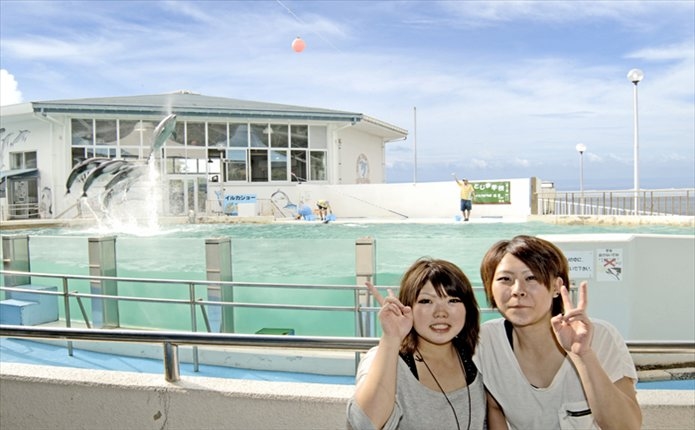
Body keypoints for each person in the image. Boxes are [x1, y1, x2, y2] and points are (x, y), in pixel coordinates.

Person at [475, 235, 641, 430]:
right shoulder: (486, 341)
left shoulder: (600, 336)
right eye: (505, 279)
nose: (518, 290)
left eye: (531, 278)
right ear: (490, 287)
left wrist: (583, 355)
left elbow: (627, 427)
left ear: (556, 287)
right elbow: (494, 407)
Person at [347, 258, 486, 430]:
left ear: (467, 308)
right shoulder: (387, 359)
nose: (440, 313)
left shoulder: (476, 358)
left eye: (453, 300)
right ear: (408, 307)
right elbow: (364, 425)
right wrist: (391, 337)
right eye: (426, 301)